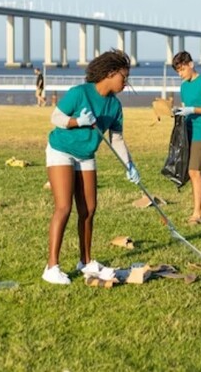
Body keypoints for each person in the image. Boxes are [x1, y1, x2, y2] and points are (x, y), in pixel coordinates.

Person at [42, 49, 140, 285]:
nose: (126, 83)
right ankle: (51, 267)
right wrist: (77, 122)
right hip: (61, 150)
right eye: (123, 78)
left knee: (89, 209)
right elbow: (55, 118)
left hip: (86, 155)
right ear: (110, 73)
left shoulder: (115, 107)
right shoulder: (79, 93)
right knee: (64, 207)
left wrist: (130, 165)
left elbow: (116, 139)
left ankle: (85, 262)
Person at [171, 51, 201, 225]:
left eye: (182, 70)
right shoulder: (184, 86)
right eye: (177, 71)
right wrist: (179, 112)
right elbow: (186, 107)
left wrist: (193, 110)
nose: (180, 74)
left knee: (194, 171)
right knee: (199, 172)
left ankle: (196, 214)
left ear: (190, 65)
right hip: (188, 131)